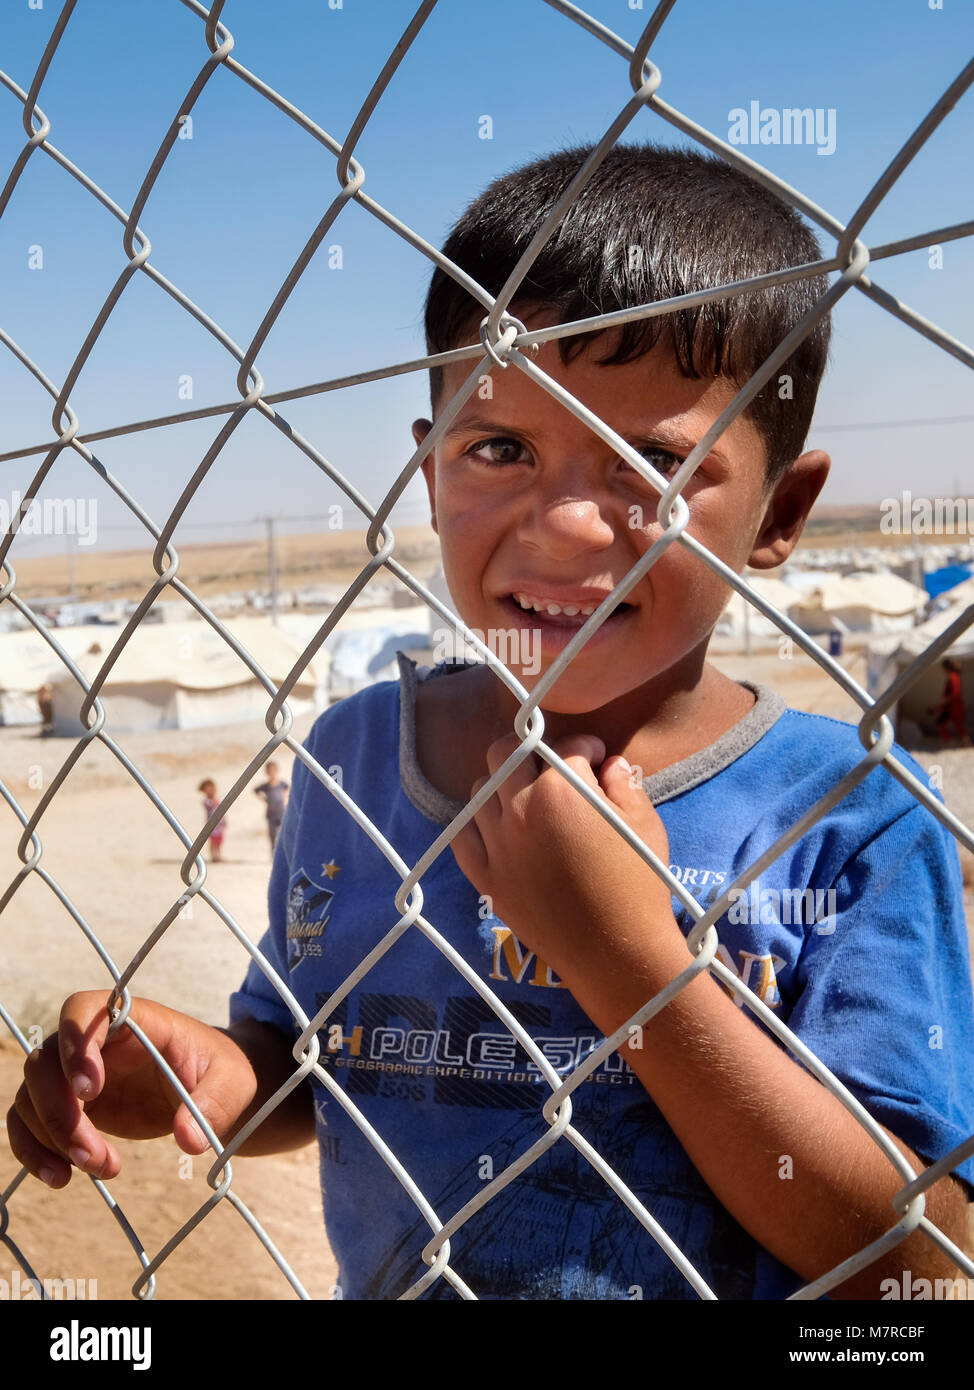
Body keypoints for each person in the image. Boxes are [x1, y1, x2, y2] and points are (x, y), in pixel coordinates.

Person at [8, 145, 974, 1302]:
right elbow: (310, 1061)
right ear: (427, 476)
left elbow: (915, 1256)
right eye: (499, 447)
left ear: (781, 511)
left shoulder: (847, 821)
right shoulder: (354, 759)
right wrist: (199, 1071)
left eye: (651, 466)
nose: (565, 526)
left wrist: (633, 970)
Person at [929, 657, 972, 747]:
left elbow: (954, 694)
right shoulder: (953, 676)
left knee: (957, 725)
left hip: (954, 706)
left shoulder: (953, 677)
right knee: (942, 723)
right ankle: (951, 743)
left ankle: (965, 744)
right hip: (951, 706)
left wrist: (940, 705)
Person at [254, 761, 290, 853]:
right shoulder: (266, 786)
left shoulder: (282, 784)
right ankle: (273, 854)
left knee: (284, 834)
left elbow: (288, 790)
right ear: (267, 772)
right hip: (271, 813)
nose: (272, 772)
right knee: (272, 835)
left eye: (273, 770)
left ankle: (283, 853)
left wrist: (285, 799)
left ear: (277, 770)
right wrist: (265, 799)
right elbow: (255, 790)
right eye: (270, 770)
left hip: (281, 812)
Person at [198, 778, 227, 863]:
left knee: (219, 840)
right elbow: (210, 806)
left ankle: (219, 855)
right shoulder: (206, 801)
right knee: (213, 841)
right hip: (211, 824)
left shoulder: (217, 799)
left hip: (219, 824)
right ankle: (213, 856)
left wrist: (224, 821)